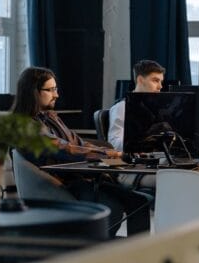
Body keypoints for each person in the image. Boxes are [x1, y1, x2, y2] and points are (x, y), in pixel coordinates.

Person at [12, 66, 150, 237]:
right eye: (51, 90)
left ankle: (139, 251)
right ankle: (96, 251)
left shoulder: (49, 116)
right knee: (114, 205)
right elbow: (63, 149)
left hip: (79, 178)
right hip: (66, 185)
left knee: (139, 201)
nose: (57, 94)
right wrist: (112, 155)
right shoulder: (24, 127)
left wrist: (112, 154)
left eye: (56, 89)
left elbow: (78, 143)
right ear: (33, 91)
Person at [107, 60, 166, 151]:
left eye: (161, 81)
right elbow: (114, 144)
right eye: (155, 81)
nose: (160, 86)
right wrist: (147, 135)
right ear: (140, 80)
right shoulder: (121, 107)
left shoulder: (155, 108)